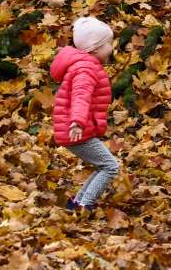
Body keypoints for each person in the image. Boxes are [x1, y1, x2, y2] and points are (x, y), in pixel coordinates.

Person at [50, 16, 120, 210]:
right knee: (110, 167)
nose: (111, 48)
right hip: (77, 130)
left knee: (104, 166)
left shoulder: (84, 65)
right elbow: (81, 96)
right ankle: (84, 205)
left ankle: (77, 203)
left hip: (78, 129)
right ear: (95, 49)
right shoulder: (86, 69)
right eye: (108, 44)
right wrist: (78, 122)